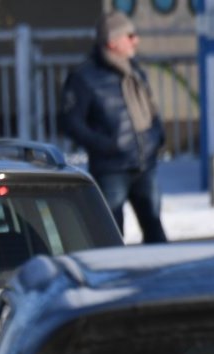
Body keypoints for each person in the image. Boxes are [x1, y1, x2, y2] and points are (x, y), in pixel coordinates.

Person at [58, 11, 167, 243]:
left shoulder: (134, 71)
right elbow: (69, 122)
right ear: (113, 41)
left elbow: (151, 109)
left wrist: (156, 137)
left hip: (145, 165)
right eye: (130, 35)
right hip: (111, 170)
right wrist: (105, 145)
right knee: (112, 236)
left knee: (156, 234)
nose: (135, 40)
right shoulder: (84, 77)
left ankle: (160, 278)